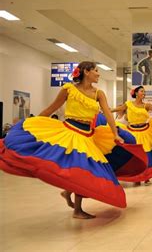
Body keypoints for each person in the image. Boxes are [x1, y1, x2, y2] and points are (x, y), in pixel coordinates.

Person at [0, 61, 143, 219]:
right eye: (96, 70)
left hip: (87, 135)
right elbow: (52, 108)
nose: (98, 73)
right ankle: (77, 210)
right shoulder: (68, 89)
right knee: (78, 168)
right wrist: (36, 122)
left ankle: (68, 193)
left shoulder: (99, 93)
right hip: (69, 132)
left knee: (83, 170)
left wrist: (115, 133)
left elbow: (108, 114)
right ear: (86, 72)